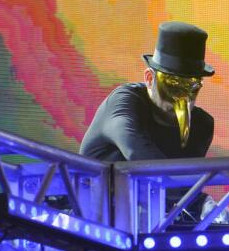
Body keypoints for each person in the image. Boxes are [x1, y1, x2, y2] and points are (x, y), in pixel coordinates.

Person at [81, 21, 215, 162]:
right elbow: (139, 156)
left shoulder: (201, 124)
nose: (183, 95)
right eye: (173, 82)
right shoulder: (124, 102)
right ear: (150, 78)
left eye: (193, 84)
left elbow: (186, 179)